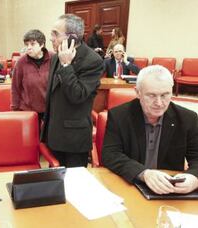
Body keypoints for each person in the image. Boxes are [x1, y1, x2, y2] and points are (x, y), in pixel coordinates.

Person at [102, 65, 198, 195]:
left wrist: (194, 178)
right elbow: (110, 155)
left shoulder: (188, 119)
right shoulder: (119, 116)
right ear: (138, 93)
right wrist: (143, 173)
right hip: (130, 187)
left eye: (165, 95)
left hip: (170, 191)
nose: (159, 103)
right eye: (151, 95)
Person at [41, 14, 103, 167]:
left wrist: (67, 66)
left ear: (72, 37)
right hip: (54, 133)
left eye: (55, 34)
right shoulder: (56, 57)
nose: (51, 38)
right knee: (55, 184)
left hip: (74, 139)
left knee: (74, 186)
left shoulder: (92, 60)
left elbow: (78, 95)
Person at [11, 29, 52, 123]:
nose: (28, 48)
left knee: (49, 137)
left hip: (50, 110)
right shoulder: (21, 62)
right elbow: (15, 88)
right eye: (27, 44)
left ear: (42, 45)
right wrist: (15, 109)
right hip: (28, 111)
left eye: (32, 44)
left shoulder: (53, 58)